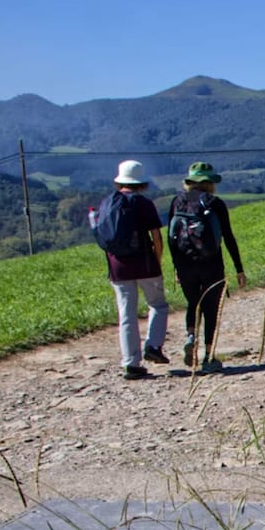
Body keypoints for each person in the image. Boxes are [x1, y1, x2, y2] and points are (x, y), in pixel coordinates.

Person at [167, 162, 246, 374]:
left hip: (185, 263)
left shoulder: (177, 202)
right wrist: (239, 268)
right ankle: (209, 357)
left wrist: (175, 267)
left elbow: (171, 239)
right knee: (211, 309)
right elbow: (228, 237)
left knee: (193, 303)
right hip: (212, 263)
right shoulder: (215, 203)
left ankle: (191, 336)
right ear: (210, 183)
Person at [99, 160, 169, 379]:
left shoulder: (108, 203)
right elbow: (156, 237)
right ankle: (153, 346)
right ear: (141, 182)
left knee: (126, 315)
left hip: (118, 267)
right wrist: (158, 260)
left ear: (119, 181)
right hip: (145, 263)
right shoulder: (144, 203)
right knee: (158, 305)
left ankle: (131, 363)